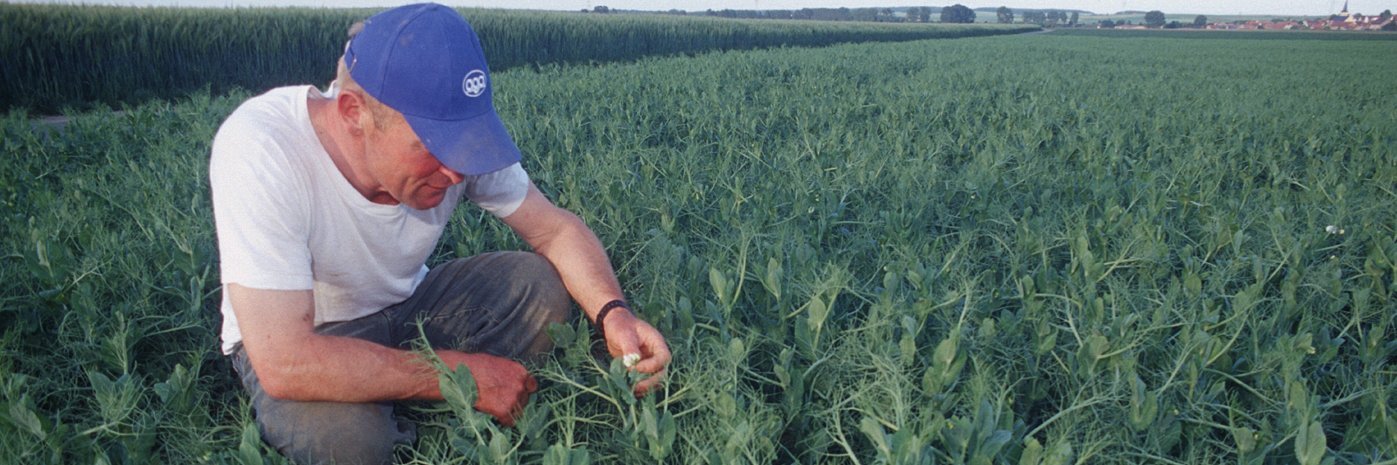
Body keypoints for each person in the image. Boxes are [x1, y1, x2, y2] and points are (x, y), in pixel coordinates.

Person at [208, 4, 671, 464]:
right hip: (311, 337)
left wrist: (615, 314)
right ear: (354, 114)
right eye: (433, 146)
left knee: (540, 289)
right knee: (349, 445)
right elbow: (285, 360)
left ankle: (397, 386)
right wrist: (455, 373)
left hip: (409, 305)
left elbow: (555, 230)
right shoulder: (262, 148)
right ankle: (398, 402)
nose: (455, 170)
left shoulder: (455, 142)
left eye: (464, 142)